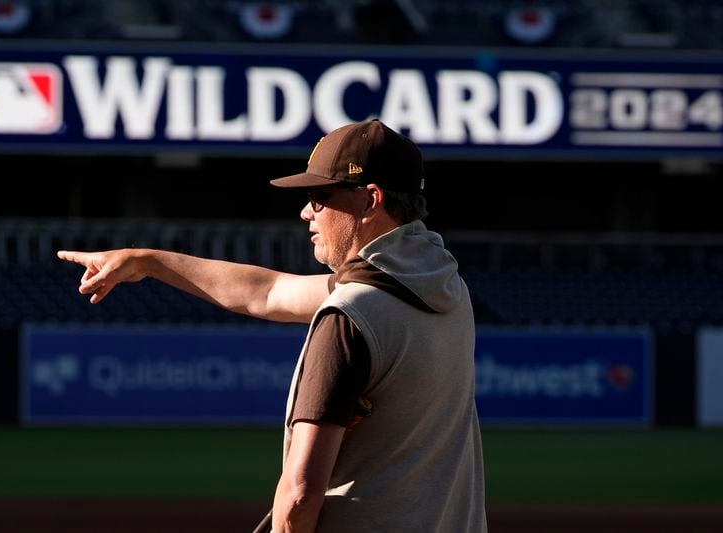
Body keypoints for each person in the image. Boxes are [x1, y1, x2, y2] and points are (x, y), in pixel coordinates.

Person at [57, 118, 487, 533]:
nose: (306, 212)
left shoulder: (351, 316)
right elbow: (266, 292)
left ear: (369, 200)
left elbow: (300, 494)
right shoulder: (442, 285)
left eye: (320, 195)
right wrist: (150, 261)